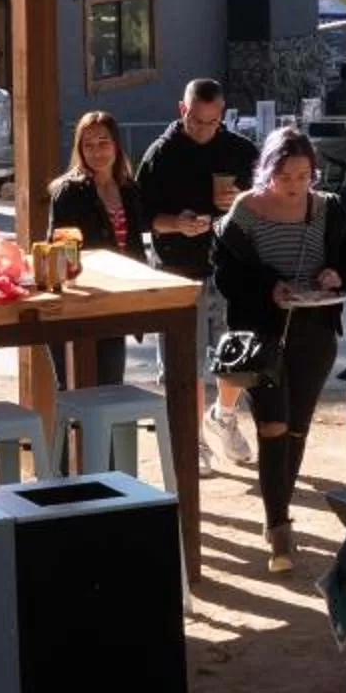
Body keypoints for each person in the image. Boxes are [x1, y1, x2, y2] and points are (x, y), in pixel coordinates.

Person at [212, 127, 346, 575]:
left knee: (298, 428)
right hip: (261, 334)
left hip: (315, 331)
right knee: (273, 425)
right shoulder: (246, 211)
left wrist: (336, 275)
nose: (296, 185)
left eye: (304, 176)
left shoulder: (328, 210)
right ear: (267, 172)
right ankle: (278, 525)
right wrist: (270, 287)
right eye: (286, 176)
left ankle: (279, 509)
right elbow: (225, 275)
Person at [134, 77, 261, 461]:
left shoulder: (240, 150)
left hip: (230, 267)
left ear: (222, 115)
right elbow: (144, 216)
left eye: (212, 121)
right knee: (183, 366)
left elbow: (267, 200)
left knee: (237, 356)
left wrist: (240, 200)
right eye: (196, 120)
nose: (204, 129)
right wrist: (177, 222)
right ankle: (191, 440)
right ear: (182, 110)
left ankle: (223, 417)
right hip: (177, 269)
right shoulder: (161, 154)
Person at [47, 109, 152, 389]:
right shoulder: (69, 191)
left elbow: (135, 246)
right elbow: (58, 249)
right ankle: (68, 436)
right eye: (88, 145)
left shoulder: (129, 190)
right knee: (74, 388)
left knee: (110, 386)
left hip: (115, 302)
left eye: (103, 142)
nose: (97, 151)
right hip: (78, 302)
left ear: (116, 145)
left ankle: (105, 436)